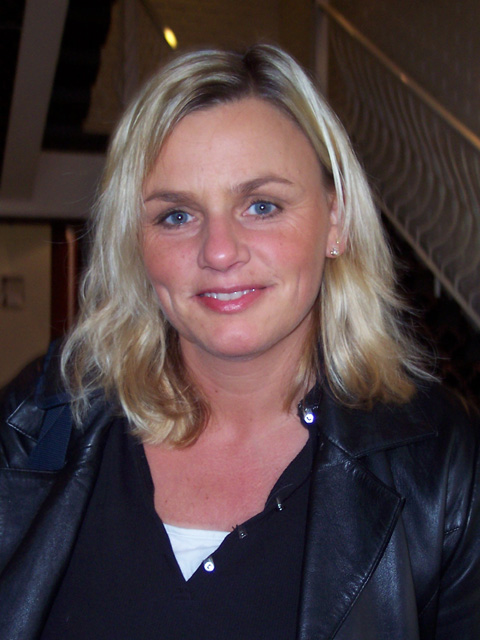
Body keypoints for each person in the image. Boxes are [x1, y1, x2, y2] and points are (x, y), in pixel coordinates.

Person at [0, 44, 478, 640]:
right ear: (136, 243)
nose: (220, 252)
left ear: (335, 220)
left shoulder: (440, 465)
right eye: (176, 215)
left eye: (261, 205)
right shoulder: (38, 422)